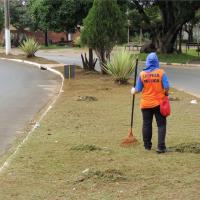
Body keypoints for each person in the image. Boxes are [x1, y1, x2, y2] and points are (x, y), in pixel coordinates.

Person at [131, 52, 170, 153]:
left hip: (145, 104)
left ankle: (147, 145)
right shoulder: (162, 73)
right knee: (161, 124)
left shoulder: (142, 74)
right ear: (157, 61)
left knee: (147, 124)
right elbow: (166, 87)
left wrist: (133, 90)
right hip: (159, 103)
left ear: (147, 62)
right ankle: (161, 147)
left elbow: (138, 89)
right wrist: (165, 93)